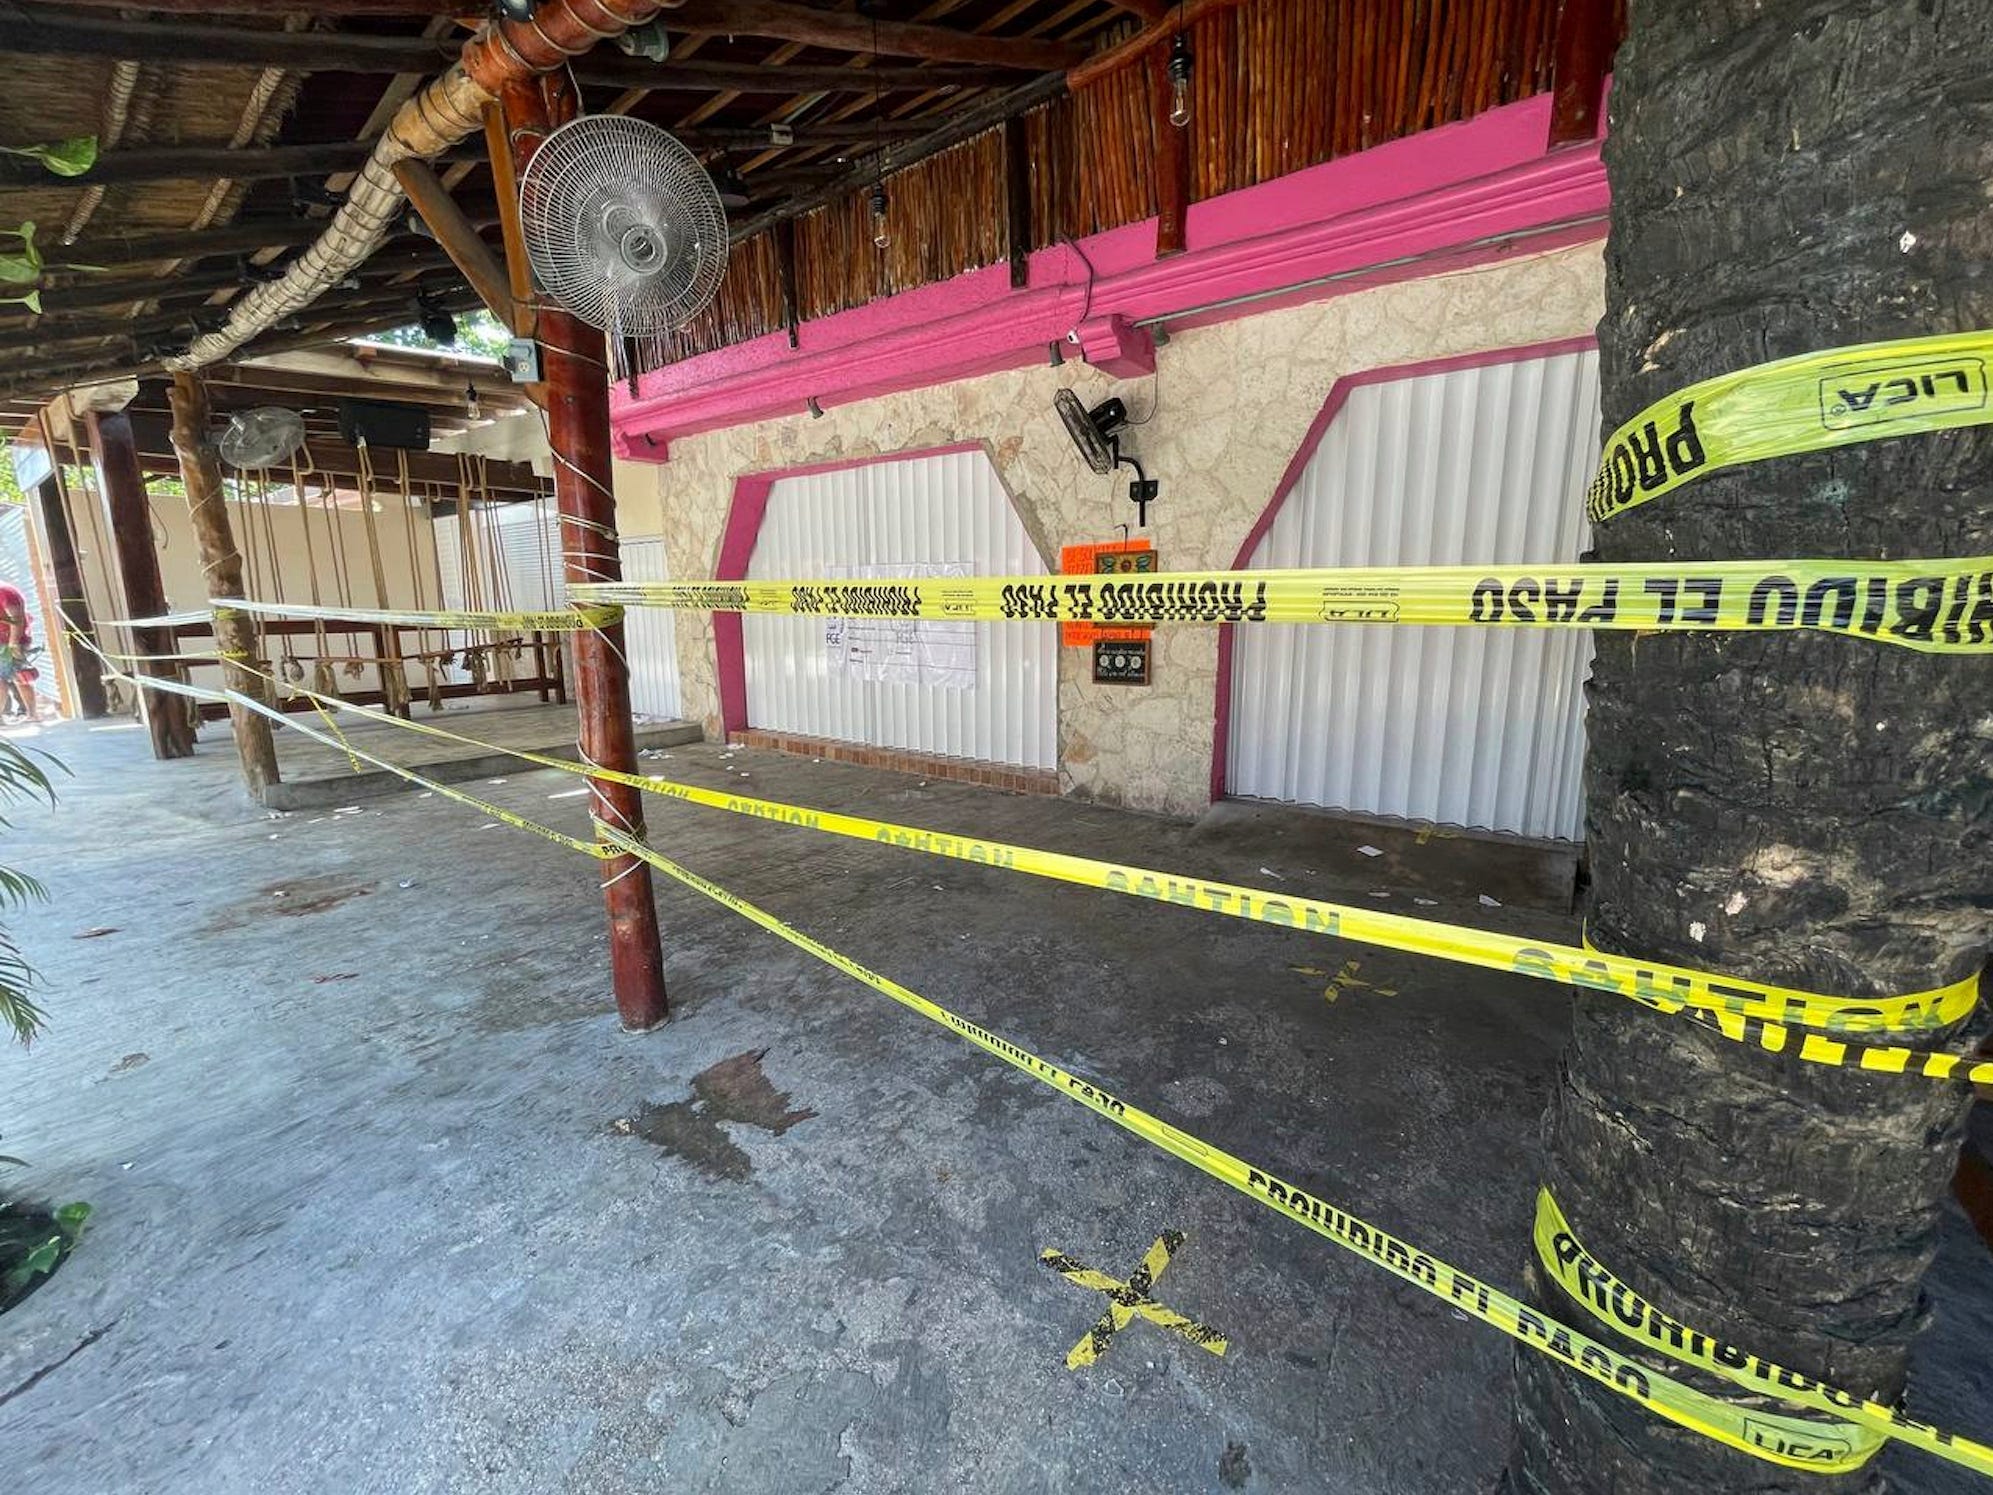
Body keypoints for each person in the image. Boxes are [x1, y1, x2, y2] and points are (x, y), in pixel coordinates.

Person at [0, 581, 41, 721]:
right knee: (20, 677)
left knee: (7, 679)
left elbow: (16, 617)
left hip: (8, 643)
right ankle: (32, 714)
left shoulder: (4, 592)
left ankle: (32, 714)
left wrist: (13, 642)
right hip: (6, 642)